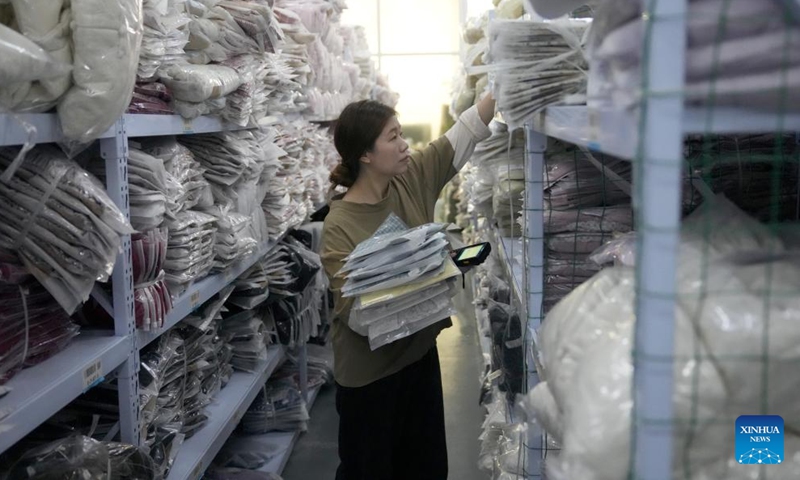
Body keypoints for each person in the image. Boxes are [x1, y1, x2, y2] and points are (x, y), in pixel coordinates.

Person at [320, 93, 496, 480]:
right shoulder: (340, 225)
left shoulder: (410, 179)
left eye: (402, 134)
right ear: (365, 155)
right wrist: (433, 275)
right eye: (393, 137)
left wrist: (508, 78)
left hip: (418, 357)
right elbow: (359, 316)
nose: (404, 144)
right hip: (370, 378)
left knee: (427, 468)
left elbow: (466, 130)